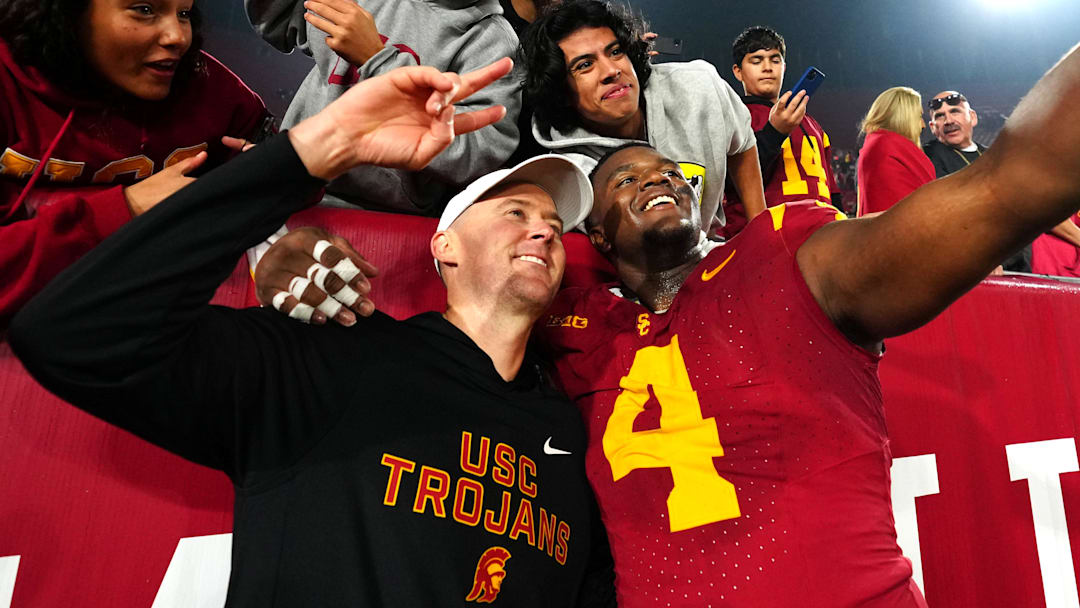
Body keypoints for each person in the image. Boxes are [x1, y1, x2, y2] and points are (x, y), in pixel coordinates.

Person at [243, 43, 1080, 606]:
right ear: (594, 238)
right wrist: (284, 250)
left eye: (670, 168)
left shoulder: (789, 256)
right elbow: (423, 274)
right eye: (621, 179)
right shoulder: (571, 319)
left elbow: (1006, 187)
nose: (656, 177)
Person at [10, 59, 616, 605]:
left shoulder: (569, 429)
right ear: (445, 246)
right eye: (515, 212)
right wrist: (309, 154)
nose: (543, 232)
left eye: (555, 225)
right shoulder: (337, 351)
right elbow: (71, 333)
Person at [0, 0, 272, 328]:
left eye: (184, 14)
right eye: (144, 9)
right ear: (64, 12)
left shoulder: (213, 91)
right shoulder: (7, 82)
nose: (178, 37)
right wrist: (126, 208)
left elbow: (277, 192)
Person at [246, 0, 520, 215]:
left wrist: (376, 59)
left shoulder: (492, 41)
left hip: (381, 215)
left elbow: (480, 152)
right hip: (292, 185)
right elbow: (278, 19)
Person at [519, 0, 765, 235]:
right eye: (585, 65)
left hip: (712, 251)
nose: (611, 71)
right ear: (560, 91)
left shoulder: (698, 86)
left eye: (615, 52)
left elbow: (742, 143)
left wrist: (761, 227)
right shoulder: (569, 173)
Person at [726, 26, 840, 237]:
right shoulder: (731, 116)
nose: (767, 67)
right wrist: (774, 132)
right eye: (756, 60)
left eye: (775, 60)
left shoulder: (812, 123)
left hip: (820, 236)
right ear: (738, 71)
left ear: (784, 67)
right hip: (763, 240)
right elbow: (728, 182)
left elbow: (831, 189)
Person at [923, 91, 1033, 271]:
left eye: (955, 111)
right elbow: (946, 216)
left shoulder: (997, 156)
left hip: (1016, 261)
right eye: (940, 116)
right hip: (973, 266)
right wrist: (984, 259)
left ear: (972, 117)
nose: (949, 121)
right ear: (933, 127)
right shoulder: (929, 157)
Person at [855, 87, 935, 216]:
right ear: (904, 118)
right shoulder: (888, 147)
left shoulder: (877, 145)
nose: (923, 125)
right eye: (919, 116)